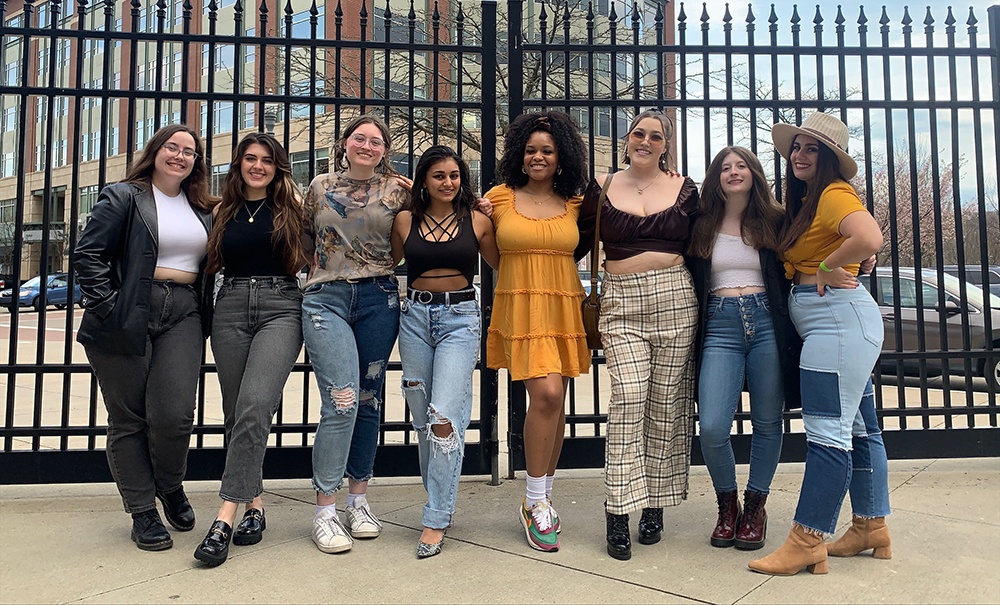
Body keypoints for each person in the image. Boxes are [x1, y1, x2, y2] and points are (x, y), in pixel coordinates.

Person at [749, 111, 889, 575]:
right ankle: (871, 525)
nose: (800, 155)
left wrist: (830, 266)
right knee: (860, 429)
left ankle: (808, 538)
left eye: (812, 148)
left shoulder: (832, 192)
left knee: (827, 433)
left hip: (837, 327)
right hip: (833, 326)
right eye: (797, 147)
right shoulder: (809, 201)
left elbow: (868, 236)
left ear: (830, 158)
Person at [75, 124, 214, 551]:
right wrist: (109, 307)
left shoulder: (204, 207)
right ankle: (142, 511)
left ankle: (170, 486)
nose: (180, 155)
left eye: (189, 151)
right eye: (172, 147)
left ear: (196, 162)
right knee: (129, 418)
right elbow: (88, 253)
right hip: (129, 310)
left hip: (185, 310)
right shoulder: (124, 197)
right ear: (155, 151)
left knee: (174, 415)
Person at [577, 109, 699, 561]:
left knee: (666, 404)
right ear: (628, 139)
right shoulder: (603, 187)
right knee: (628, 398)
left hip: (675, 298)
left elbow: (715, 237)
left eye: (655, 135)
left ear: (666, 144)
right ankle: (617, 510)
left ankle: (654, 504)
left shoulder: (687, 190)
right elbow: (572, 237)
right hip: (622, 301)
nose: (645, 141)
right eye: (638, 133)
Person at [192, 133, 307, 566]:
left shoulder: (295, 210)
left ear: (278, 167)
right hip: (231, 307)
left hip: (282, 307)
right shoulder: (219, 210)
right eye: (250, 158)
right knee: (236, 411)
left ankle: (225, 515)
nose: (258, 166)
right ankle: (255, 506)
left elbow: (346, 223)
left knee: (256, 404)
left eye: (267, 160)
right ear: (238, 163)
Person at [301, 114, 409, 554]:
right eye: (359, 139)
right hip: (326, 298)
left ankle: (357, 500)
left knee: (368, 399)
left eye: (376, 141)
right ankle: (325, 510)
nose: (367, 146)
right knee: (341, 399)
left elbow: (442, 210)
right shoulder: (320, 186)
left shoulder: (399, 190)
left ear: (385, 148)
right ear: (345, 144)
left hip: (379, 298)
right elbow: (306, 237)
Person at [686, 146, 801, 552]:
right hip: (719, 323)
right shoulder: (699, 223)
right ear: (716, 176)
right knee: (714, 426)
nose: (734, 172)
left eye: (741, 166)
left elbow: (811, 247)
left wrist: (863, 257)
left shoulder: (775, 218)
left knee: (768, 423)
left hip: (767, 321)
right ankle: (727, 505)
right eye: (726, 167)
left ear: (754, 173)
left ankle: (755, 506)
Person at [485, 111, 590, 553]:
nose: (538, 157)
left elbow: (628, 199)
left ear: (561, 156)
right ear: (519, 154)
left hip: (563, 305)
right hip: (523, 307)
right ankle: (532, 501)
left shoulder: (578, 203)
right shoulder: (499, 198)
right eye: (531, 150)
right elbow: (491, 252)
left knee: (556, 400)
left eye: (547, 150)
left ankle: (543, 495)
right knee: (545, 396)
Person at [390, 145, 500, 558]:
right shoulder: (405, 220)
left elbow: (502, 263)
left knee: (443, 420)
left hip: (460, 318)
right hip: (414, 318)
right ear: (423, 181)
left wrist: (498, 213)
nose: (448, 183)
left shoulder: (477, 220)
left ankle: (436, 517)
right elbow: (384, 261)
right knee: (421, 419)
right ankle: (441, 501)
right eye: (438, 176)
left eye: (454, 175)